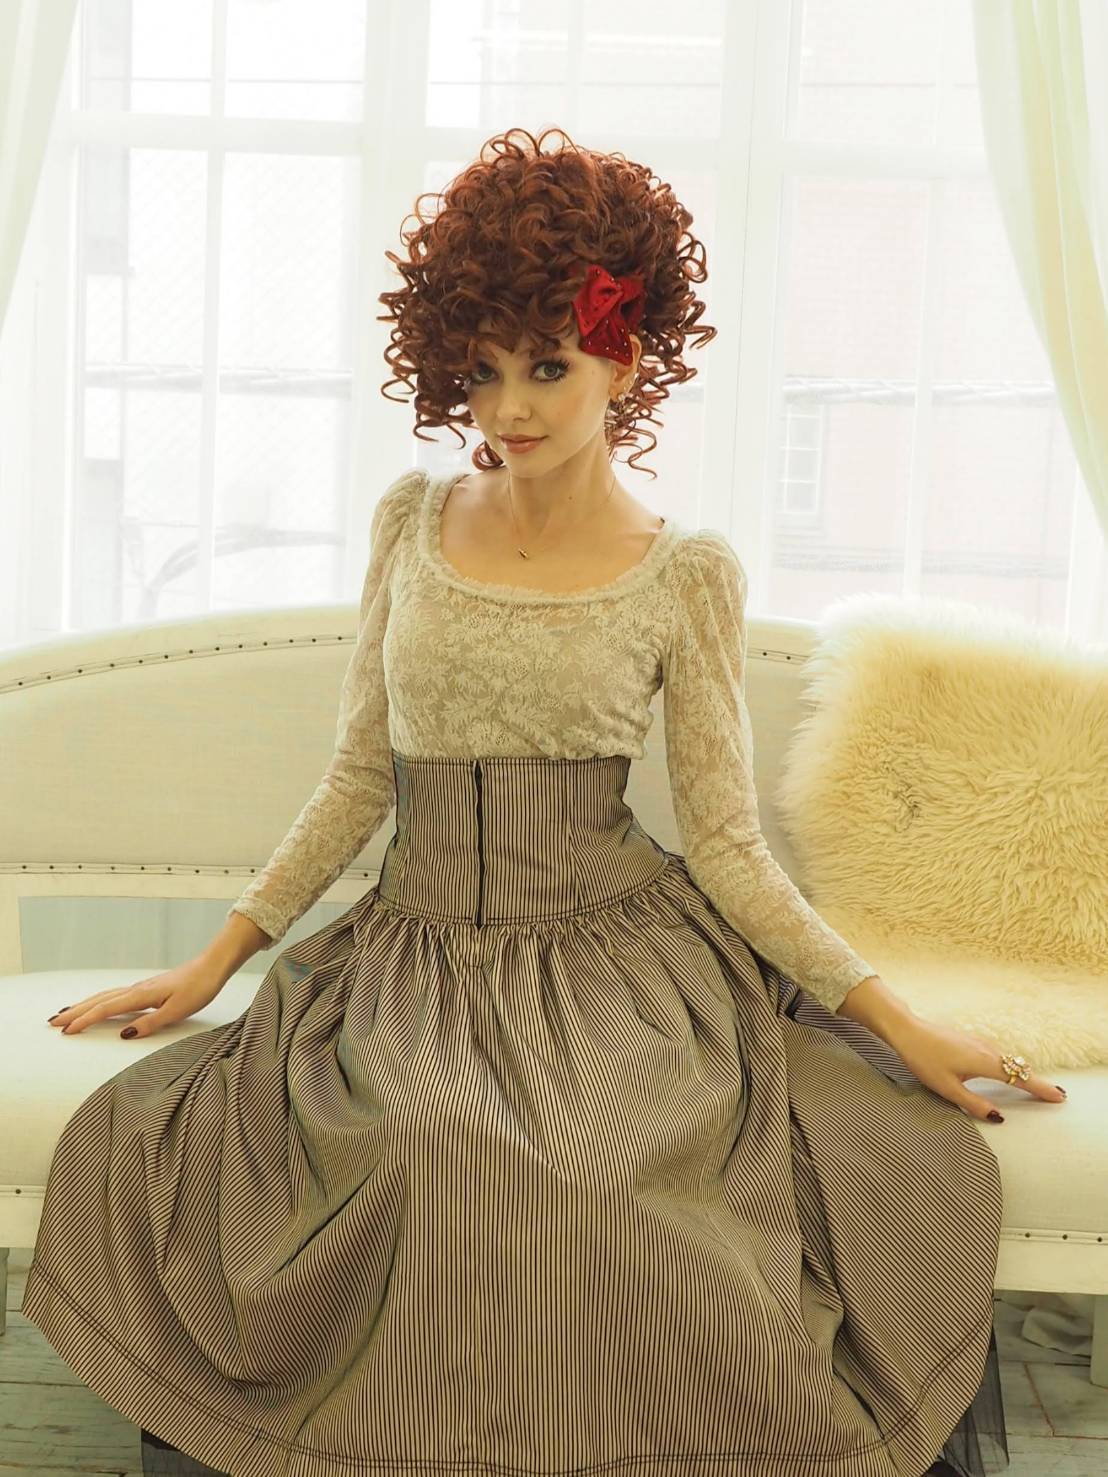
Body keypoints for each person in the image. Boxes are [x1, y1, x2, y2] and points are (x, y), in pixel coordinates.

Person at [24, 124, 1056, 1477]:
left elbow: (729, 846)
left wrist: (899, 1023)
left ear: (628, 360)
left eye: (549, 366)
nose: (509, 409)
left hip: (621, 965)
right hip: (412, 958)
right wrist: (213, 962)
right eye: (484, 369)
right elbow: (357, 778)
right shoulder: (409, 522)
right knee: (411, 1148)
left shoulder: (686, 571)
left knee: (605, 1173)